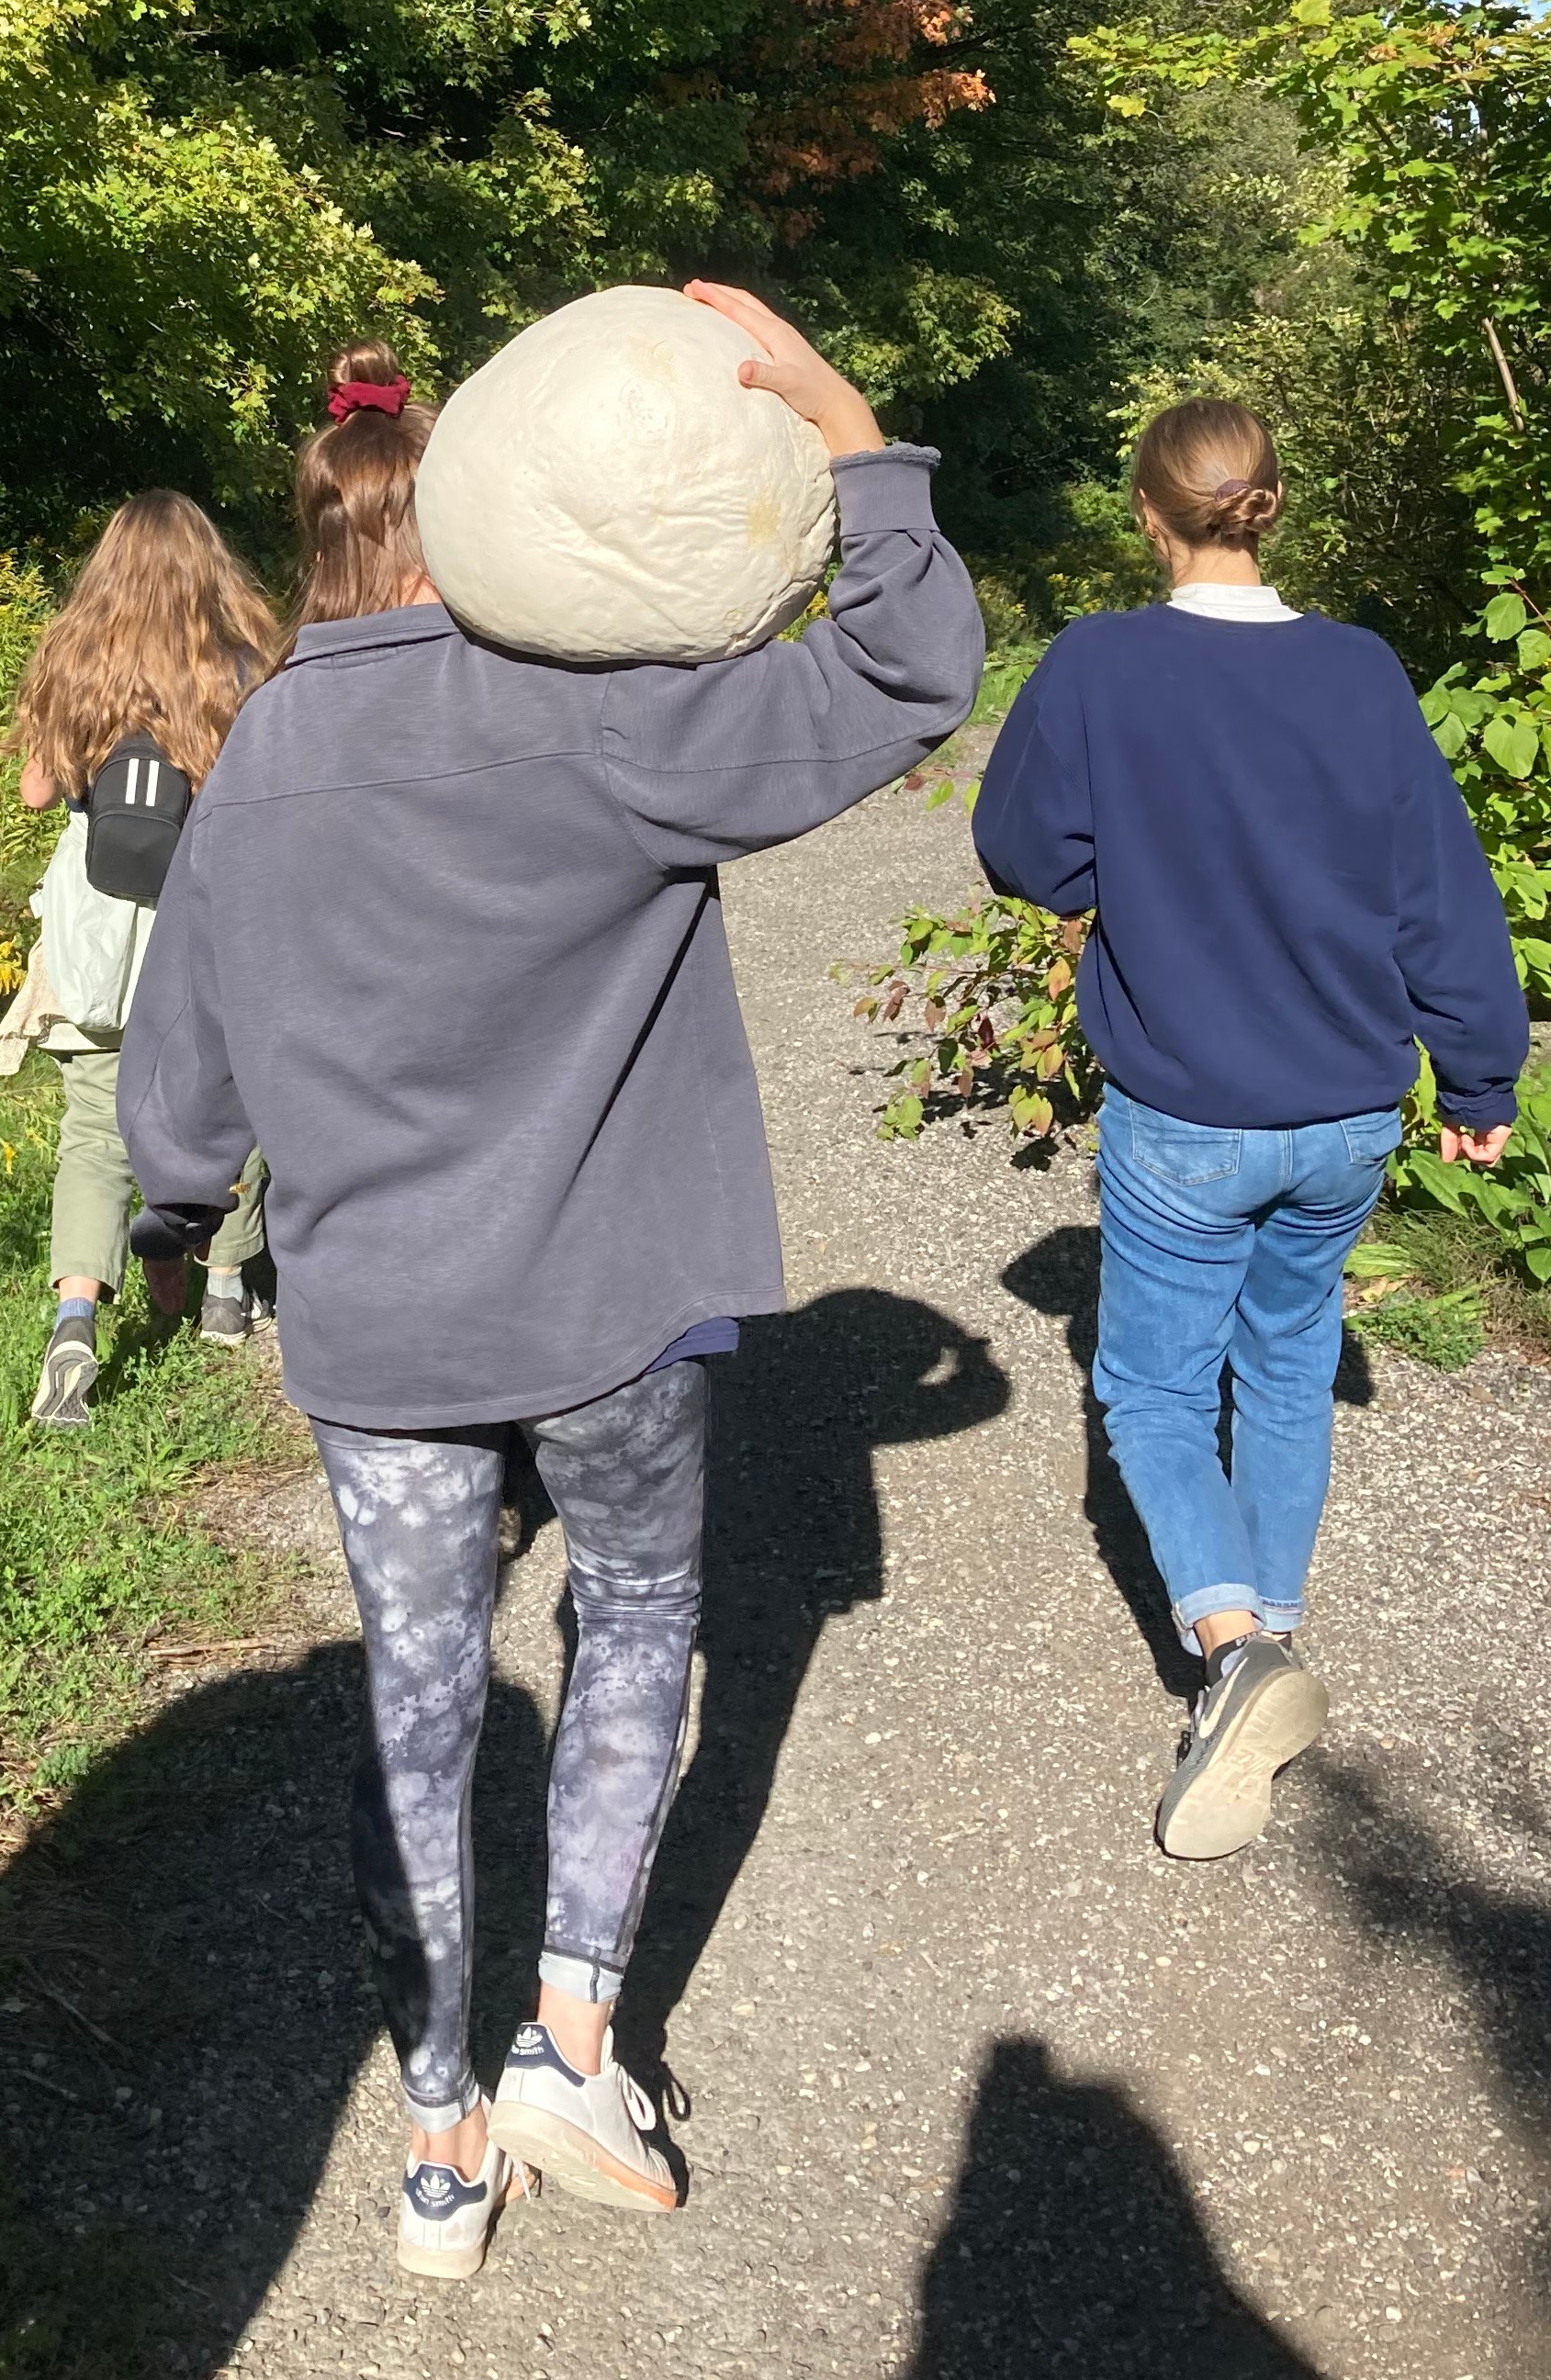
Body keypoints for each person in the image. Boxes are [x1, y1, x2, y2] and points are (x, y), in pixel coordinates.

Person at [119, 305, 983, 2278]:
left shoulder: (257, 767)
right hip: (606, 1310)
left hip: (382, 1337)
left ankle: (435, 2142)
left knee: (418, 1696)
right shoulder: (601, 717)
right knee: (647, 1611)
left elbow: (178, 1099)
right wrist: (853, 434)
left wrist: (172, 1239)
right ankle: (572, 2038)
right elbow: (909, 669)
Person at [972, 397, 1526, 1861]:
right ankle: (1269, 1636)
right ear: (1270, 502)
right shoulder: (1361, 671)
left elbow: (1025, 851)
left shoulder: (1101, 662)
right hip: (1348, 1108)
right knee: (1286, 1366)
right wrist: (1480, 1080)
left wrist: (1132, 851)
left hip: (1189, 1112)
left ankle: (1233, 1654)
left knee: (1153, 1392)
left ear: (1149, 513)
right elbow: (1438, 892)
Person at [6, 488, 286, 1427]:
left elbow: (37, 795)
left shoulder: (70, 656)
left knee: (93, 1134)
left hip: (94, 913)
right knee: (229, 1102)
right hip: (203, 909)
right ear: (211, 566)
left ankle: (76, 1317)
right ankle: (224, 1291)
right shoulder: (243, 663)